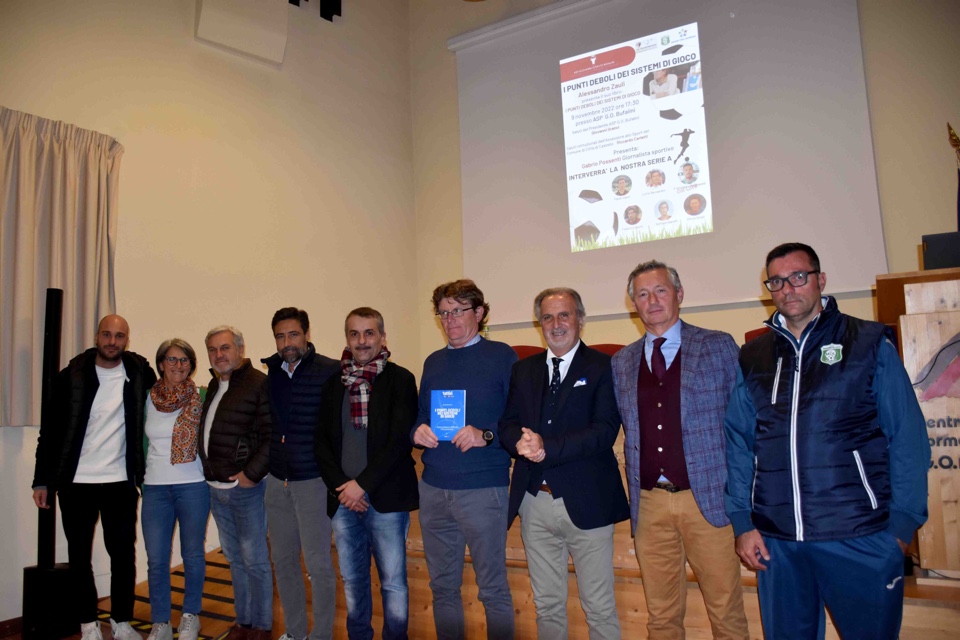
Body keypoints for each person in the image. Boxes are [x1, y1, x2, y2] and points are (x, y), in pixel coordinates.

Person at [725, 242, 931, 639]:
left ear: (821, 280)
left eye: (798, 277)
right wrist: (743, 522)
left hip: (859, 536)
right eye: (777, 281)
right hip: (778, 542)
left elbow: (907, 437)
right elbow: (738, 443)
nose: (788, 288)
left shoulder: (868, 342)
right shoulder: (753, 356)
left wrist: (900, 528)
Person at [611, 262, 749, 639]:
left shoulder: (718, 346)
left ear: (679, 294)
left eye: (660, 290)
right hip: (649, 504)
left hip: (708, 501)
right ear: (633, 304)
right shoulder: (621, 362)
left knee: (726, 612)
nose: (652, 300)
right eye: (642, 294)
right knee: (661, 617)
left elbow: (743, 424)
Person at [499, 288, 628, 639]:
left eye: (564, 315)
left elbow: (604, 430)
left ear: (580, 319)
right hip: (534, 502)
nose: (556, 324)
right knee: (547, 606)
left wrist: (547, 447)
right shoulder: (523, 370)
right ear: (539, 323)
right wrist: (518, 441)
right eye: (547, 317)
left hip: (588, 501)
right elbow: (507, 423)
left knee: (599, 608)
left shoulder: (604, 366)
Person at [32, 315, 157, 640]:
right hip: (76, 484)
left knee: (123, 556)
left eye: (119, 336)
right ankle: (88, 624)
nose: (112, 341)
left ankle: (121, 621)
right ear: (97, 336)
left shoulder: (139, 373)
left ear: (127, 339)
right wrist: (42, 480)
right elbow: (50, 432)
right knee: (79, 557)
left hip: (120, 483)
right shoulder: (72, 375)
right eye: (107, 334)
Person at [412, 279, 517, 640]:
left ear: (479, 313)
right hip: (433, 488)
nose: (450, 319)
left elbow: (518, 420)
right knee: (442, 589)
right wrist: (416, 432)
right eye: (443, 313)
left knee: (493, 589)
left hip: (482, 489)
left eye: (458, 311)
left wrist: (484, 434)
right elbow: (420, 414)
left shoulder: (503, 356)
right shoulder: (433, 362)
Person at [315, 307, 419, 639]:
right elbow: (321, 442)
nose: (362, 341)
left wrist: (362, 486)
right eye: (354, 334)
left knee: (393, 582)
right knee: (353, 580)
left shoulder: (401, 380)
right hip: (343, 501)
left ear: (382, 337)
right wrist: (342, 487)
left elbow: (399, 441)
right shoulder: (333, 384)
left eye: (369, 333)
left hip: (386, 498)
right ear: (347, 339)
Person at [260, 307, 339, 640]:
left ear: (307, 334)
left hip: (313, 482)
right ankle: (294, 632)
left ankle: (321, 635)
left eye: (293, 334)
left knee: (318, 565)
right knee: (283, 562)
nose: (286, 342)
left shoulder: (330, 371)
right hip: (277, 482)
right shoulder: (272, 374)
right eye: (280, 336)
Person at [199, 325, 272, 640]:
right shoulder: (215, 385)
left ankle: (262, 626)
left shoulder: (258, 384)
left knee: (255, 561)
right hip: (216, 490)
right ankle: (243, 622)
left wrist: (250, 475)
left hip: (246, 491)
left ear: (240, 349)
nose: (219, 355)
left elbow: (271, 437)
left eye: (225, 347)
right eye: (213, 350)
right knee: (235, 561)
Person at [142, 339, 208, 640]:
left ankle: (190, 616)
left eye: (184, 360)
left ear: (191, 365)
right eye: (172, 359)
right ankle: (161, 622)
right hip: (155, 488)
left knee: (192, 554)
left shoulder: (202, 396)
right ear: (160, 364)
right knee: (156, 559)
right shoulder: (146, 399)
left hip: (193, 486)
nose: (178, 365)